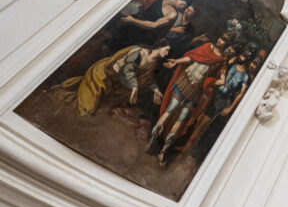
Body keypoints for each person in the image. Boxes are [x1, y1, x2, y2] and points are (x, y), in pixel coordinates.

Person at [147, 34, 230, 164]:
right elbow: (191, 58)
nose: (220, 40)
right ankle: (152, 141)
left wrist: (210, 83)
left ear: (227, 44)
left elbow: (222, 80)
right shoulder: (207, 47)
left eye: (224, 40)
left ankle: (163, 151)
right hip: (184, 81)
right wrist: (176, 61)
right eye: (221, 38)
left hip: (196, 91)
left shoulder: (222, 61)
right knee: (170, 110)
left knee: (181, 120)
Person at [54, 40, 171, 116]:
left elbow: (147, 78)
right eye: (166, 49)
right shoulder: (139, 52)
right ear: (159, 46)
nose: (167, 53)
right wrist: (134, 87)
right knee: (88, 107)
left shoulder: (152, 63)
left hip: (116, 83)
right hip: (103, 74)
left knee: (101, 109)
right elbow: (127, 69)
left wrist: (156, 90)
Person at [182, 50, 251, 159]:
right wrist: (230, 61)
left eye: (243, 56)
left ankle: (183, 154)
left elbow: (240, 94)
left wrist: (230, 108)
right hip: (213, 94)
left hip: (221, 101)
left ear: (247, 60)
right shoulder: (232, 64)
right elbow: (221, 67)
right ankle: (187, 146)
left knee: (201, 127)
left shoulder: (245, 76)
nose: (240, 56)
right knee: (198, 120)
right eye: (241, 54)